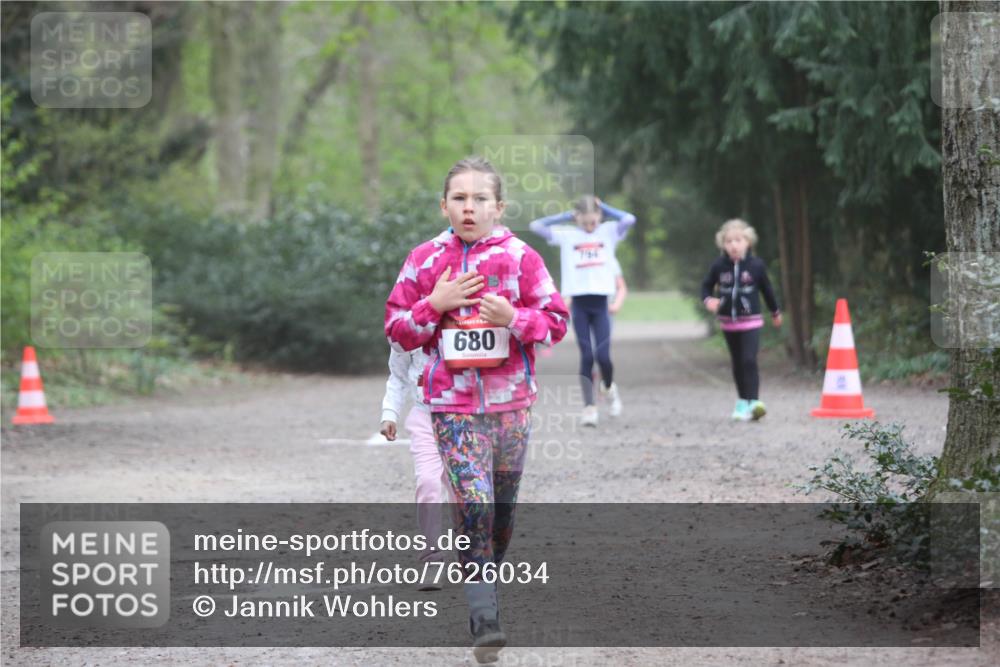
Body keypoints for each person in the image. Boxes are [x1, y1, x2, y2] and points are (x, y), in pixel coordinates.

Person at [385, 156, 568, 663]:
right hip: (452, 406)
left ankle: (485, 576)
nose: (469, 207)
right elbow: (396, 329)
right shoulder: (424, 260)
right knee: (475, 505)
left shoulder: (522, 258)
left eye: (480, 198)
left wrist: (515, 317)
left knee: (502, 513)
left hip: (512, 406)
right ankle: (483, 613)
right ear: (444, 205)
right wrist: (434, 304)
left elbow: (556, 322)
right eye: (459, 198)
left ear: (499, 206)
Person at [529, 196, 635, 426]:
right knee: (587, 355)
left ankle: (609, 387)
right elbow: (536, 226)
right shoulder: (567, 235)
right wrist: (567, 216)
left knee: (603, 356)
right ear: (577, 219)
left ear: (599, 218)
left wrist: (603, 207)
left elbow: (629, 219)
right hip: (579, 304)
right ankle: (589, 407)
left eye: (593, 222)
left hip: (601, 304)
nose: (589, 227)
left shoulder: (608, 232)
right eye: (585, 222)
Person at [378, 347, 451, 590]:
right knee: (428, 484)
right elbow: (398, 375)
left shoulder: (467, 319)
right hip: (424, 417)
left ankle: (474, 556)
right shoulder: (409, 328)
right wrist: (390, 412)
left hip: (466, 417)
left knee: (466, 492)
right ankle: (433, 559)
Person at [700, 218, 782, 421]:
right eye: (729, 241)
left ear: (748, 242)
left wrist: (775, 312)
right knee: (737, 362)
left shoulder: (756, 265)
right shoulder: (719, 265)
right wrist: (708, 300)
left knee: (749, 360)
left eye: (738, 240)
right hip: (728, 322)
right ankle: (742, 402)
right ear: (723, 245)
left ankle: (754, 402)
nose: (733, 245)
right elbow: (706, 286)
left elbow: (767, 290)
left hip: (751, 321)